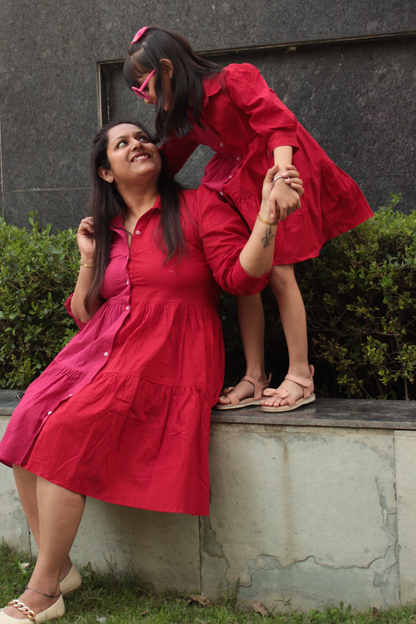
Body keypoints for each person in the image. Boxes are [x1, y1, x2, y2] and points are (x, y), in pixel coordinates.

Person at [0, 121, 303, 622]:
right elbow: (84, 312)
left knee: (63, 435)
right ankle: (63, 566)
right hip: (100, 348)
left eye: (143, 137)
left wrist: (266, 219)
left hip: (170, 350)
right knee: (28, 422)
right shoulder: (108, 224)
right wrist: (88, 260)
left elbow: (242, 276)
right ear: (106, 170)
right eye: (123, 143)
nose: (138, 144)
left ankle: (45, 588)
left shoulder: (198, 206)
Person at [124, 25, 374, 412]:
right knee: (246, 277)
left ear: (167, 68)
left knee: (279, 272)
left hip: (281, 165)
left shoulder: (234, 79)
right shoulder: (188, 114)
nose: (144, 100)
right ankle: (255, 376)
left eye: (144, 88)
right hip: (236, 186)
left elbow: (278, 124)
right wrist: (121, 190)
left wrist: (282, 180)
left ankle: (300, 378)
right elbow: (166, 159)